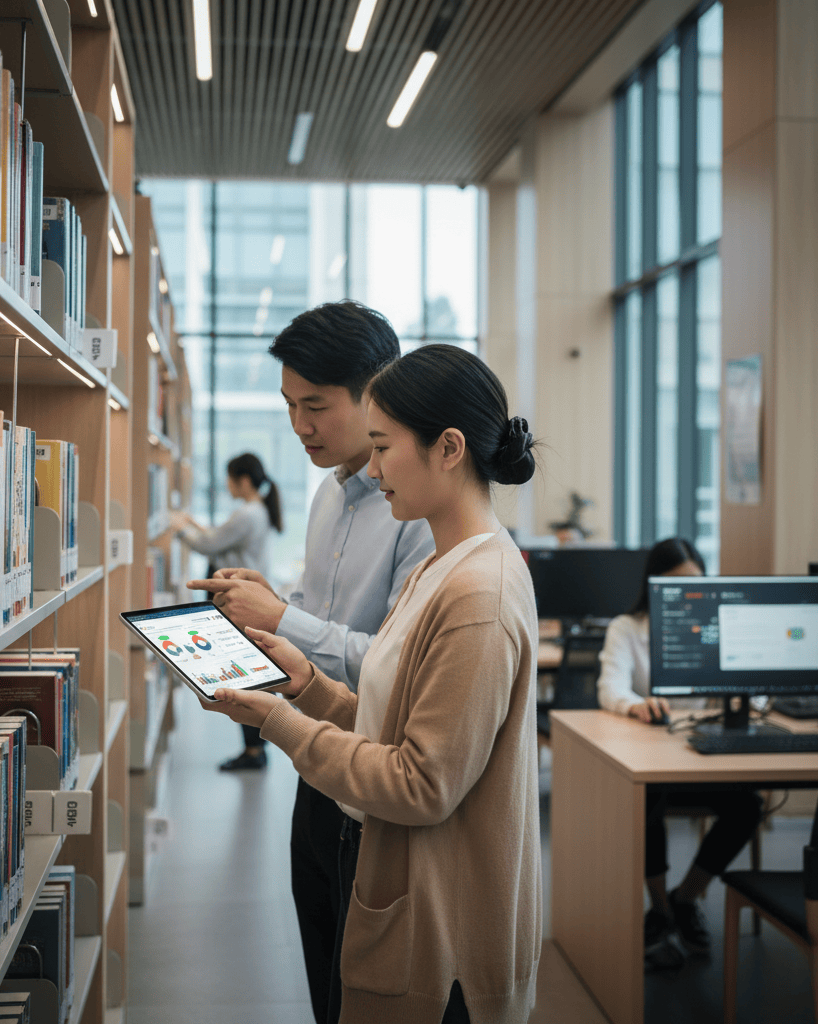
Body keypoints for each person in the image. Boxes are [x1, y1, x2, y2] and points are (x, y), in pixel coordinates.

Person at [205, 344, 543, 1024]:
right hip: (402, 889)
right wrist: (308, 687)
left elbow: (422, 782)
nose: (374, 467)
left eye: (385, 448)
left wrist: (277, 722)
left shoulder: (480, 592)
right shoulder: (438, 567)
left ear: (448, 448)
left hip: (443, 937)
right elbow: (398, 721)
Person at [188, 300, 434, 1024]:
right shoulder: (329, 495)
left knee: (367, 981)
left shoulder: (416, 510)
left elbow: (394, 667)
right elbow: (316, 615)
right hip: (314, 760)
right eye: (290, 405)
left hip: (379, 768)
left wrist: (286, 621)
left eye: (316, 406)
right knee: (321, 954)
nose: (300, 426)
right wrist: (266, 610)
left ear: (376, 392)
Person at [596, 537, 763, 969]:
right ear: (653, 586)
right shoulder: (627, 628)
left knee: (748, 806)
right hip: (655, 760)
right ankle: (661, 911)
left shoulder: (720, 625)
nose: (687, 596)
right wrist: (635, 704)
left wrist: (745, 699)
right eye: (673, 586)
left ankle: (685, 898)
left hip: (706, 757)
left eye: (695, 584)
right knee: (648, 801)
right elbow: (610, 687)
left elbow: (755, 686)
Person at [179, 452, 282, 770]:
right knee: (250, 677)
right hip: (246, 599)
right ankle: (255, 749)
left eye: (229, 477)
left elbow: (210, 545)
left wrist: (179, 530)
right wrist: (194, 524)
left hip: (239, 603)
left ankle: (254, 751)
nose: (225, 484)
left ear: (243, 480)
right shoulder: (254, 511)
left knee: (246, 681)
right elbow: (220, 537)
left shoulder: (247, 514)